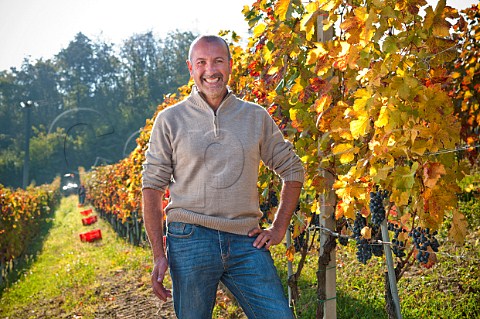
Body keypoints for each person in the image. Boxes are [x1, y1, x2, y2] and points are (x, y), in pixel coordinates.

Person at [141, 34, 304, 319]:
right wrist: (158, 254)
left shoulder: (255, 116)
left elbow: (293, 170)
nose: (210, 70)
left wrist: (278, 229)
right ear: (190, 68)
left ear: (229, 65)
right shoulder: (170, 120)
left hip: (245, 239)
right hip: (189, 238)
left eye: (218, 61)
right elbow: (152, 188)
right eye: (201, 62)